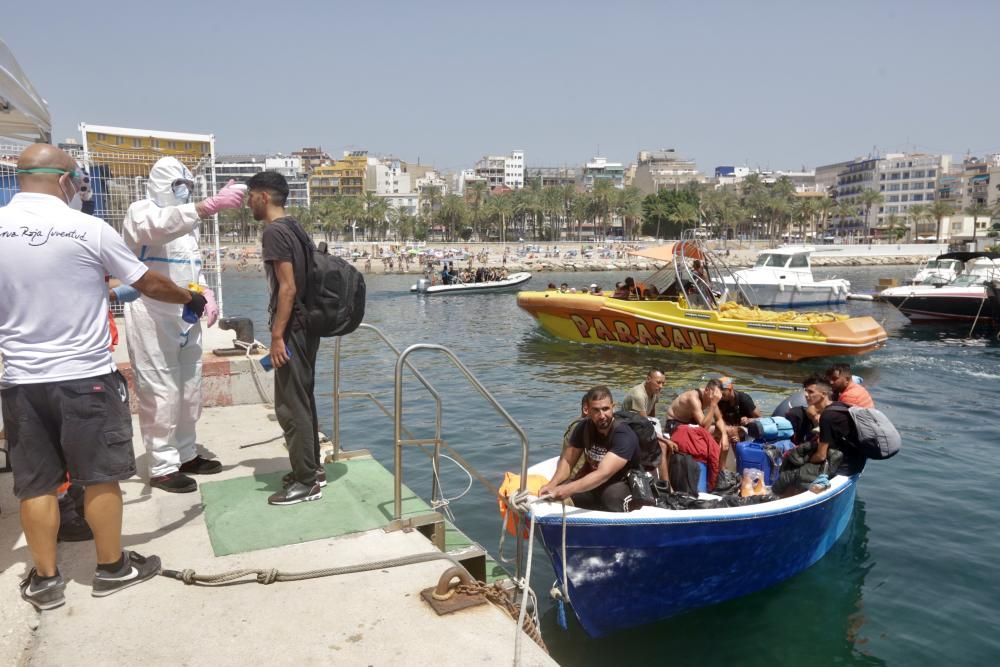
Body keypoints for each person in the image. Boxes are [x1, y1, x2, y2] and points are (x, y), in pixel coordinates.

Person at [0, 144, 207, 610]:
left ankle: (45, 579)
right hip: (84, 376)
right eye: (78, 179)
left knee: (36, 484)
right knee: (99, 478)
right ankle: (112, 567)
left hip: (22, 379)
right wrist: (187, 299)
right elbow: (146, 280)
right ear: (64, 181)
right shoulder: (87, 228)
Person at [121, 157, 244, 493]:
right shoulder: (141, 212)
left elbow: (190, 265)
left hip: (186, 314)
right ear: (162, 184)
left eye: (188, 187)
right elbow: (160, 227)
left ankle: (186, 452)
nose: (184, 193)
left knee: (190, 390)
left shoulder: (188, 224)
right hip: (151, 313)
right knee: (159, 391)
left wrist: (206, 290)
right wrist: (207, 206)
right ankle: (161, 466)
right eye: (178, 186)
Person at [248, 172, 324, 506]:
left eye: (251, 196)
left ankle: (307, 482)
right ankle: (312, 470)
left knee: (290, 406)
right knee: (302, 399)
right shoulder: (295, 227)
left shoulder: (275, 233)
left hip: (292, 329)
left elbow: (288, 287)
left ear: (263, 197)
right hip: (308, 325)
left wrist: (277, 336)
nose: (247, 202)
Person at [538, 387, 640, 512]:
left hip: (623, 483)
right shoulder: (583, 428)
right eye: (596, 410)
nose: (602, 415)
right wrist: (552, 485)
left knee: (611, 496)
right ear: (587, 410)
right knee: (556, 499)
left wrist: (567, 489)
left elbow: (603, 474)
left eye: (605, 409)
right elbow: (567, 462)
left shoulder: (623, 435)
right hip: (594, 482)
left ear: (613, 406)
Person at [667, 379, 730, 464]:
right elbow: (704, 428)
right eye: (715, 395)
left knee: (726, 431)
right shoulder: (693, 398)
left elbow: (719, 419)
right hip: (675, 423)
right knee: (703, 435)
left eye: (718, 396)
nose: (716, 398)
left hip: (691, 423)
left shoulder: (712, 398)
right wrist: (713, 404)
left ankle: (721, 469)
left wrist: (724, 435)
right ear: (707, 390)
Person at [717, 376, 761, 443]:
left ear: (730, 388)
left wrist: (748, 420)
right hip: (730, 428)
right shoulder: (720, 401)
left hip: (746, 430)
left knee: (739, 431)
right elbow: (719, 419)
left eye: (722, 391)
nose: (720, 394)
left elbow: (760, 418)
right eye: (718, 391)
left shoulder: (744, 399)